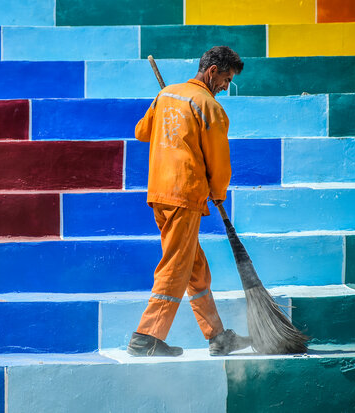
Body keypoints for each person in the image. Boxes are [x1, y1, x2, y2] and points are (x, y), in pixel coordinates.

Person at [127, 46, 252, 357]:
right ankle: (146, 337)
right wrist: (219, 192)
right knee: (175, 266)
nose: (226, 86)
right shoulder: (210, 107)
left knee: (195, 268)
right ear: (212, 72)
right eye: (227, 79)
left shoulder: (168, 94)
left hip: (159, 193)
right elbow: (219, 163)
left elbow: (142, 132)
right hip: (184, 195)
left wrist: (168, 111)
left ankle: (218, 336)